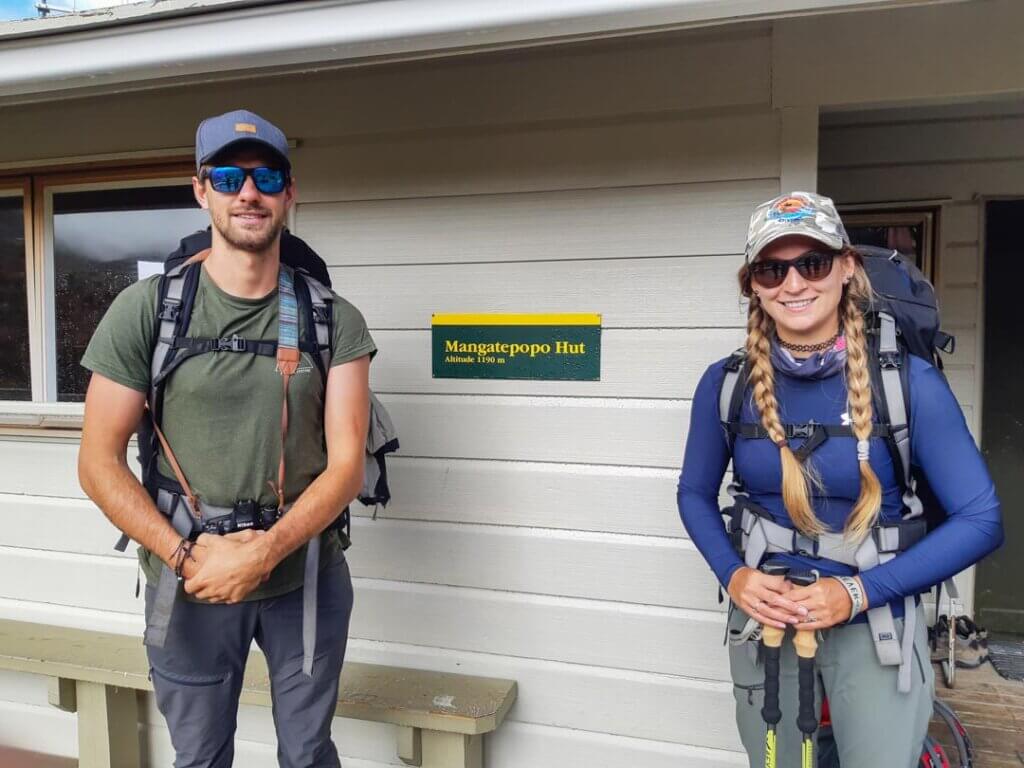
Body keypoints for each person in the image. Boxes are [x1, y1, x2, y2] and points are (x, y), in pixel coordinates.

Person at [78, 109, 376, 767]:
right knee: (202, 754)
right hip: (188, 580)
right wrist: (188, 557)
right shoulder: (147, 310)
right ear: (201, 189)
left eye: (267, 176)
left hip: (304, 575)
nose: (249, 192)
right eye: (229, 176)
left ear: (288, 194)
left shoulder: (334, 321)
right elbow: (98, 462)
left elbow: (347, 464)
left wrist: (264, 551)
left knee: (307, 753)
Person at [677, 191, 1003, 768]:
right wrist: (734, 577)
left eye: (813, 263)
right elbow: (694, 493)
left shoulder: (908, 384)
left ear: (847, 268)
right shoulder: (726, 385)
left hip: (875, 622)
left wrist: (854, 592)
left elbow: (981, 519)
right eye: (772, 269)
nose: (794, 283)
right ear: (752, 283)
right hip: (766, 624)